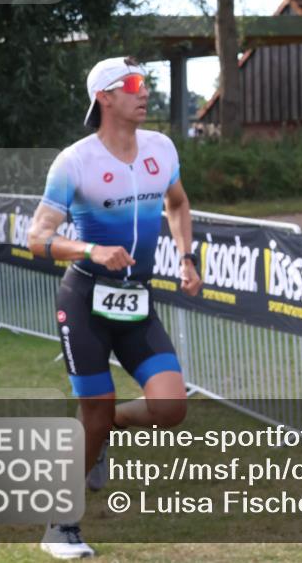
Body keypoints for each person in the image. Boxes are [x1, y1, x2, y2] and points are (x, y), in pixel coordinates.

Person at [28, 57, 202, 558]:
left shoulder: (161, 148)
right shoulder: (74, 161)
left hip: (136, 299)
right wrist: (91, 249)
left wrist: (186, 257)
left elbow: (177, 203)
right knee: (95, 410)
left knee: (170, 407)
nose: (143, 91)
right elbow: (37, 236)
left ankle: (101, 429)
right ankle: (60, 526)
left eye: (146, 83)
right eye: (132, 84)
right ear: (104, 97)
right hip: (84, 300)